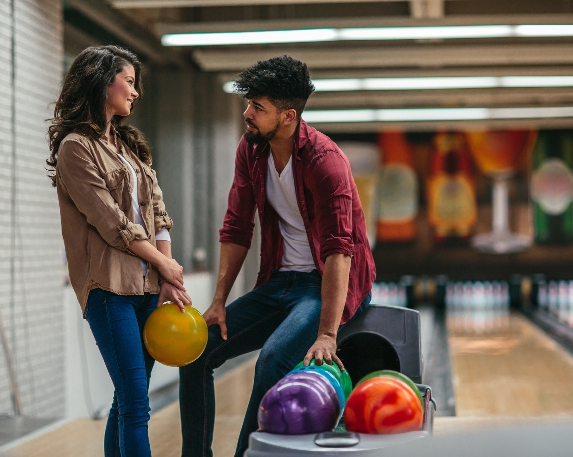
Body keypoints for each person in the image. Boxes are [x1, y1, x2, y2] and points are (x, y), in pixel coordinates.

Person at [179, 55, 376, 457]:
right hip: (280, 283)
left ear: (288, 117)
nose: (247, 113)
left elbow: (341, 251)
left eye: (258, 108)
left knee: (271, 362)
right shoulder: (251, 150)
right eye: (249, 103)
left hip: (324, 284)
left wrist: (326, 333)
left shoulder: (326, 162)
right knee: (195, 354)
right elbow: (236, 226)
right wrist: (218, 301)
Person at [47, 45, 191, 457]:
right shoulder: (76, 147)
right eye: (129, 81)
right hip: (108, 289)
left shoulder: (129, 148)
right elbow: (111, 223)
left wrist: (164, 276)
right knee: (136, 402)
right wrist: (165, 262)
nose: (135, 92)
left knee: (127, 398)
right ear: (102, 80)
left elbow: (158, 212)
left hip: (146, 289)